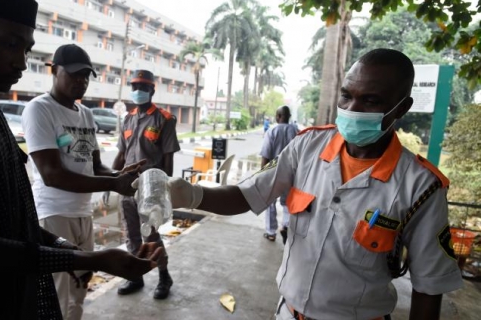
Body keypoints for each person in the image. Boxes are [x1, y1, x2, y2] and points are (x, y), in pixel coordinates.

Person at [150, 49, 463, 319]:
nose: (352, 109)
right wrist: (189, 194)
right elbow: (247, 196)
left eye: (370, 100)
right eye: (347, 95)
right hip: (288, 312)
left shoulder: (420, 186)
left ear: (401, 108)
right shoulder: (307, 146)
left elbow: (429, 284)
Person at [0, 1, 163, 319]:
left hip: (15, 299)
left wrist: (77, 252)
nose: (22, 64)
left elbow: (16, 222)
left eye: (26, 49)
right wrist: (89, 260)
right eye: (10, 44)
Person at [22, 44, 145, 320]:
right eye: (75, 74)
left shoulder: (86, 114)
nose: (82, 81)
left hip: (82, 214)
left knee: (79, 286)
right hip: (53, 216)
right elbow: (51, 175)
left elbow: (95, 166)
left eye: (86, 76)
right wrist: (113, 185)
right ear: (54, 71)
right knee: (58, 294)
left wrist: (121, 175)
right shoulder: (39, 110)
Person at [112, 70, 181, 299]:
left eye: (143, 87)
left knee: (151, 237)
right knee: (131, 236)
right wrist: (110, 181)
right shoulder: (128, 118)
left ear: (152, 90)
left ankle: (164, 276)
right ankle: (135, 277)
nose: (138, 91)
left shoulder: (164, 119)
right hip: (126, 187)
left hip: (149, 191)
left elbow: (168, 165)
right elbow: (121, 155)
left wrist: (158, 190)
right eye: (134, 87)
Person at [261, 106, 298, 244]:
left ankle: (271, 232)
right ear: (288, 116)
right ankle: (286, 226)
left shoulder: (272, 131)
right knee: (288, 202)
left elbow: (265, 154)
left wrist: (262, 175)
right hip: (292, 173)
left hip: (273, 172)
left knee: (270, 202)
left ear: (278, 116)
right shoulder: (296, 131)